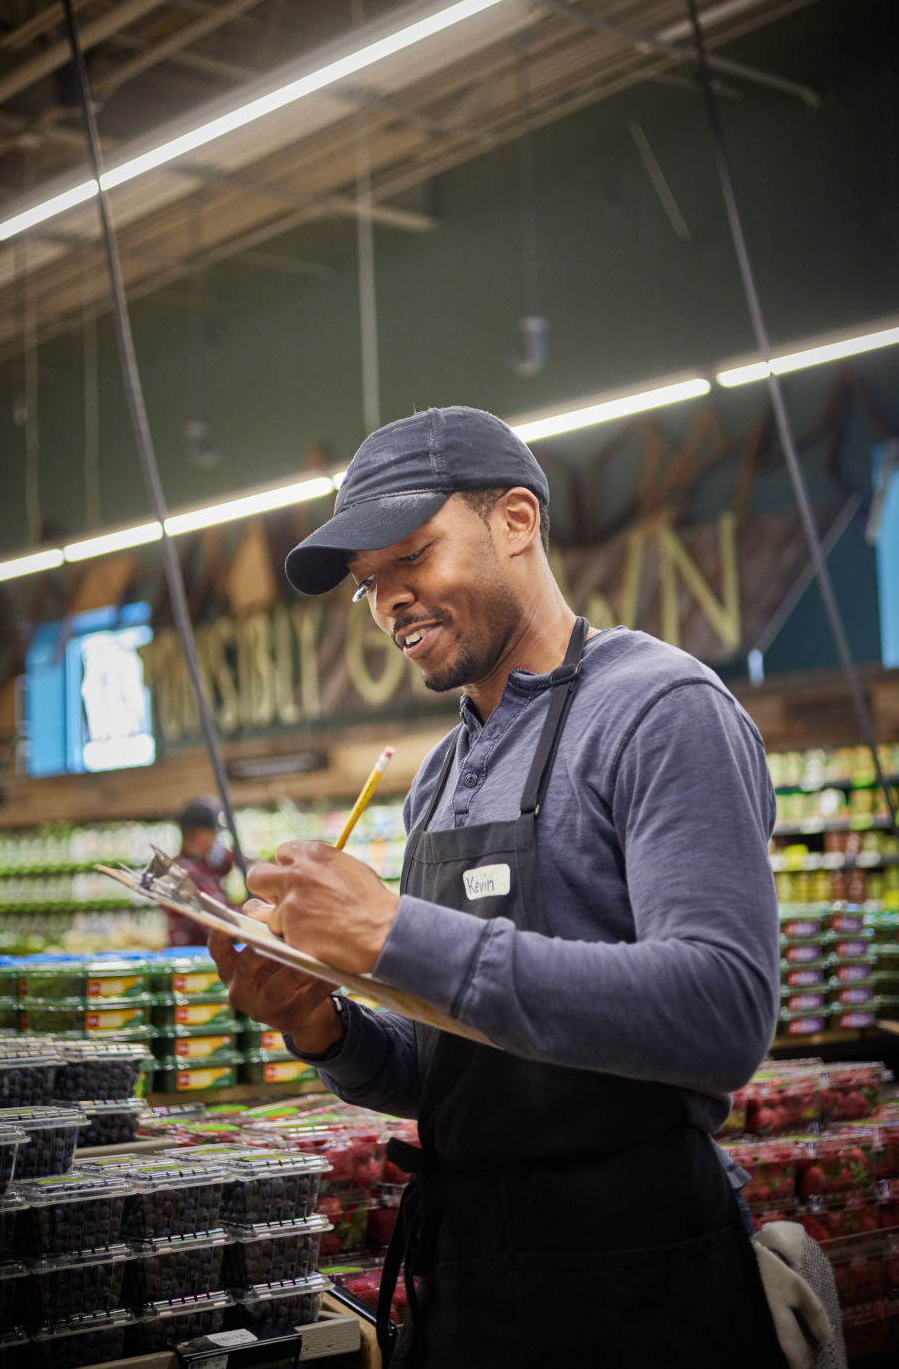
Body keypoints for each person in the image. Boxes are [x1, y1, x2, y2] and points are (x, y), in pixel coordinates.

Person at [209, 406, 787, 1368]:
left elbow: (722, 1010)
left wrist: (393, 931)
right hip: (469, 1270)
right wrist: (325, 1025)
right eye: (369, 584)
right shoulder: (441, 774)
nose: (390, 599)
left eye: (413, 556)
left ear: (516, 520)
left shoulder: (659, 709)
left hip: (636, 1276)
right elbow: (449, 1066)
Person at [166, 797, 233, 947]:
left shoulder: (198, 868)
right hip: (193, 961)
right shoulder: (185, 873)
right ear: (202, 835)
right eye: (214, 834)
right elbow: (219, 919)